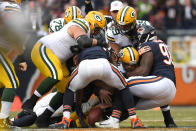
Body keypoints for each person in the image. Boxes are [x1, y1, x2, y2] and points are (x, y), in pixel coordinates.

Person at [96, 25, 176, 128]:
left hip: (161, 83)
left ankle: (114, 119)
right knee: (127, 102)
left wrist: (123, 75)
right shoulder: (161, 44)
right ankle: (112, 117)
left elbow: (143, 72)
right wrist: (168, 118)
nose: (137, 41)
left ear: (145, 36)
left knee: (122, 83)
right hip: (167, 94)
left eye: (139, 37)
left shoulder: (148, 45)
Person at [0, 0, 28, 129]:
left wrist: (21, 57)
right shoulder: (11, 6)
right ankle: (3, 122)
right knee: (12, 82)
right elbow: (10, 21)